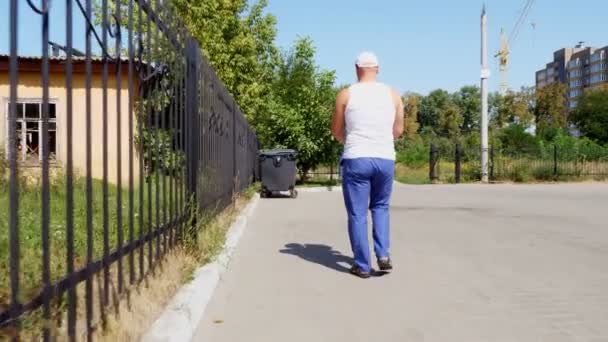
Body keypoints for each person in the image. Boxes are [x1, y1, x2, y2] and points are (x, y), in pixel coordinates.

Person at [331, 51, 404, 278]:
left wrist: (349, 141)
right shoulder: (393, 95)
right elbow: (399, 130)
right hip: (385, 158)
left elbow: (335, 130)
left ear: (356, 69)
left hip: (357, 158)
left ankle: (362, 266)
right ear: (378, 69)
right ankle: (383, 255)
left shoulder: (346, 95)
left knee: (358, 213)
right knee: (381, 207)